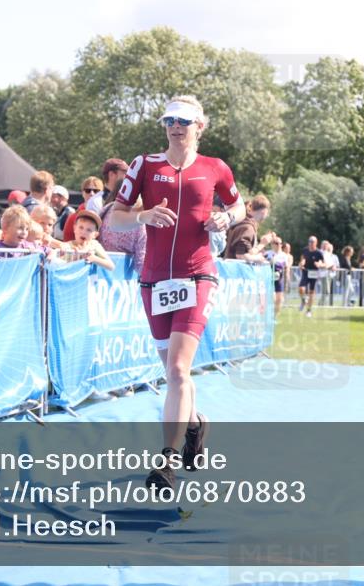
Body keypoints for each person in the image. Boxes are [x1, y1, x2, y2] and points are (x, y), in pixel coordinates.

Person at [106, 95, 245, 491]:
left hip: (197, 275)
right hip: (154, 279)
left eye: (183, 119)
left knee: (180, 370)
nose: (175, 125)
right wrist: (143, 216)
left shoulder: (214, 168)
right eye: (168, 119)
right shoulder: (145, 164)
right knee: (172, 373)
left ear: (200, 125)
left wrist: (225, 217)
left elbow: (239, 208)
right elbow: (116, 214)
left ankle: (165, 463)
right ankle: (196, 425)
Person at [99, 192, 147, 274]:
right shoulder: (140, 224)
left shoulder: (109, 207)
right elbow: (140, 264)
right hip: (120, 276)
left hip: (99, 270)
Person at [224, 194, 272, 261]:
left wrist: (262, 244)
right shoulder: (247, 227)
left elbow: (247, 252)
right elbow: (240, 255)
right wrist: (259, 258)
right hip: (236, 269)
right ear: (263, 212)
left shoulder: (242, 221)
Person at [297, 235, 326, 317]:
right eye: (309, 241)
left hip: (314, 273)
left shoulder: (319, 253)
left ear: (316, 243)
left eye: (312, 242)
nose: (311, 243)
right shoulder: (305, 250)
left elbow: (325, 264)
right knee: (301, 289)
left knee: (311, 292)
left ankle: (309, 311)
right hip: (305, 272)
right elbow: (302, 259)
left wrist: (320, 264)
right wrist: (301, 263)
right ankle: (303, 300)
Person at [267, 237, 288, 313]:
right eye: (276, 243)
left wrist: (286, 279)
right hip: (269, 279)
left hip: (279, 279)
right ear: (272, 244)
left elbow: (286, 267)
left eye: (280, 243)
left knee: (279, 299)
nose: (279, 245)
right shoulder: (267, 253)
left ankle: (274, 316)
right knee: (272, 298)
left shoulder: (284, 255)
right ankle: (269, 314)